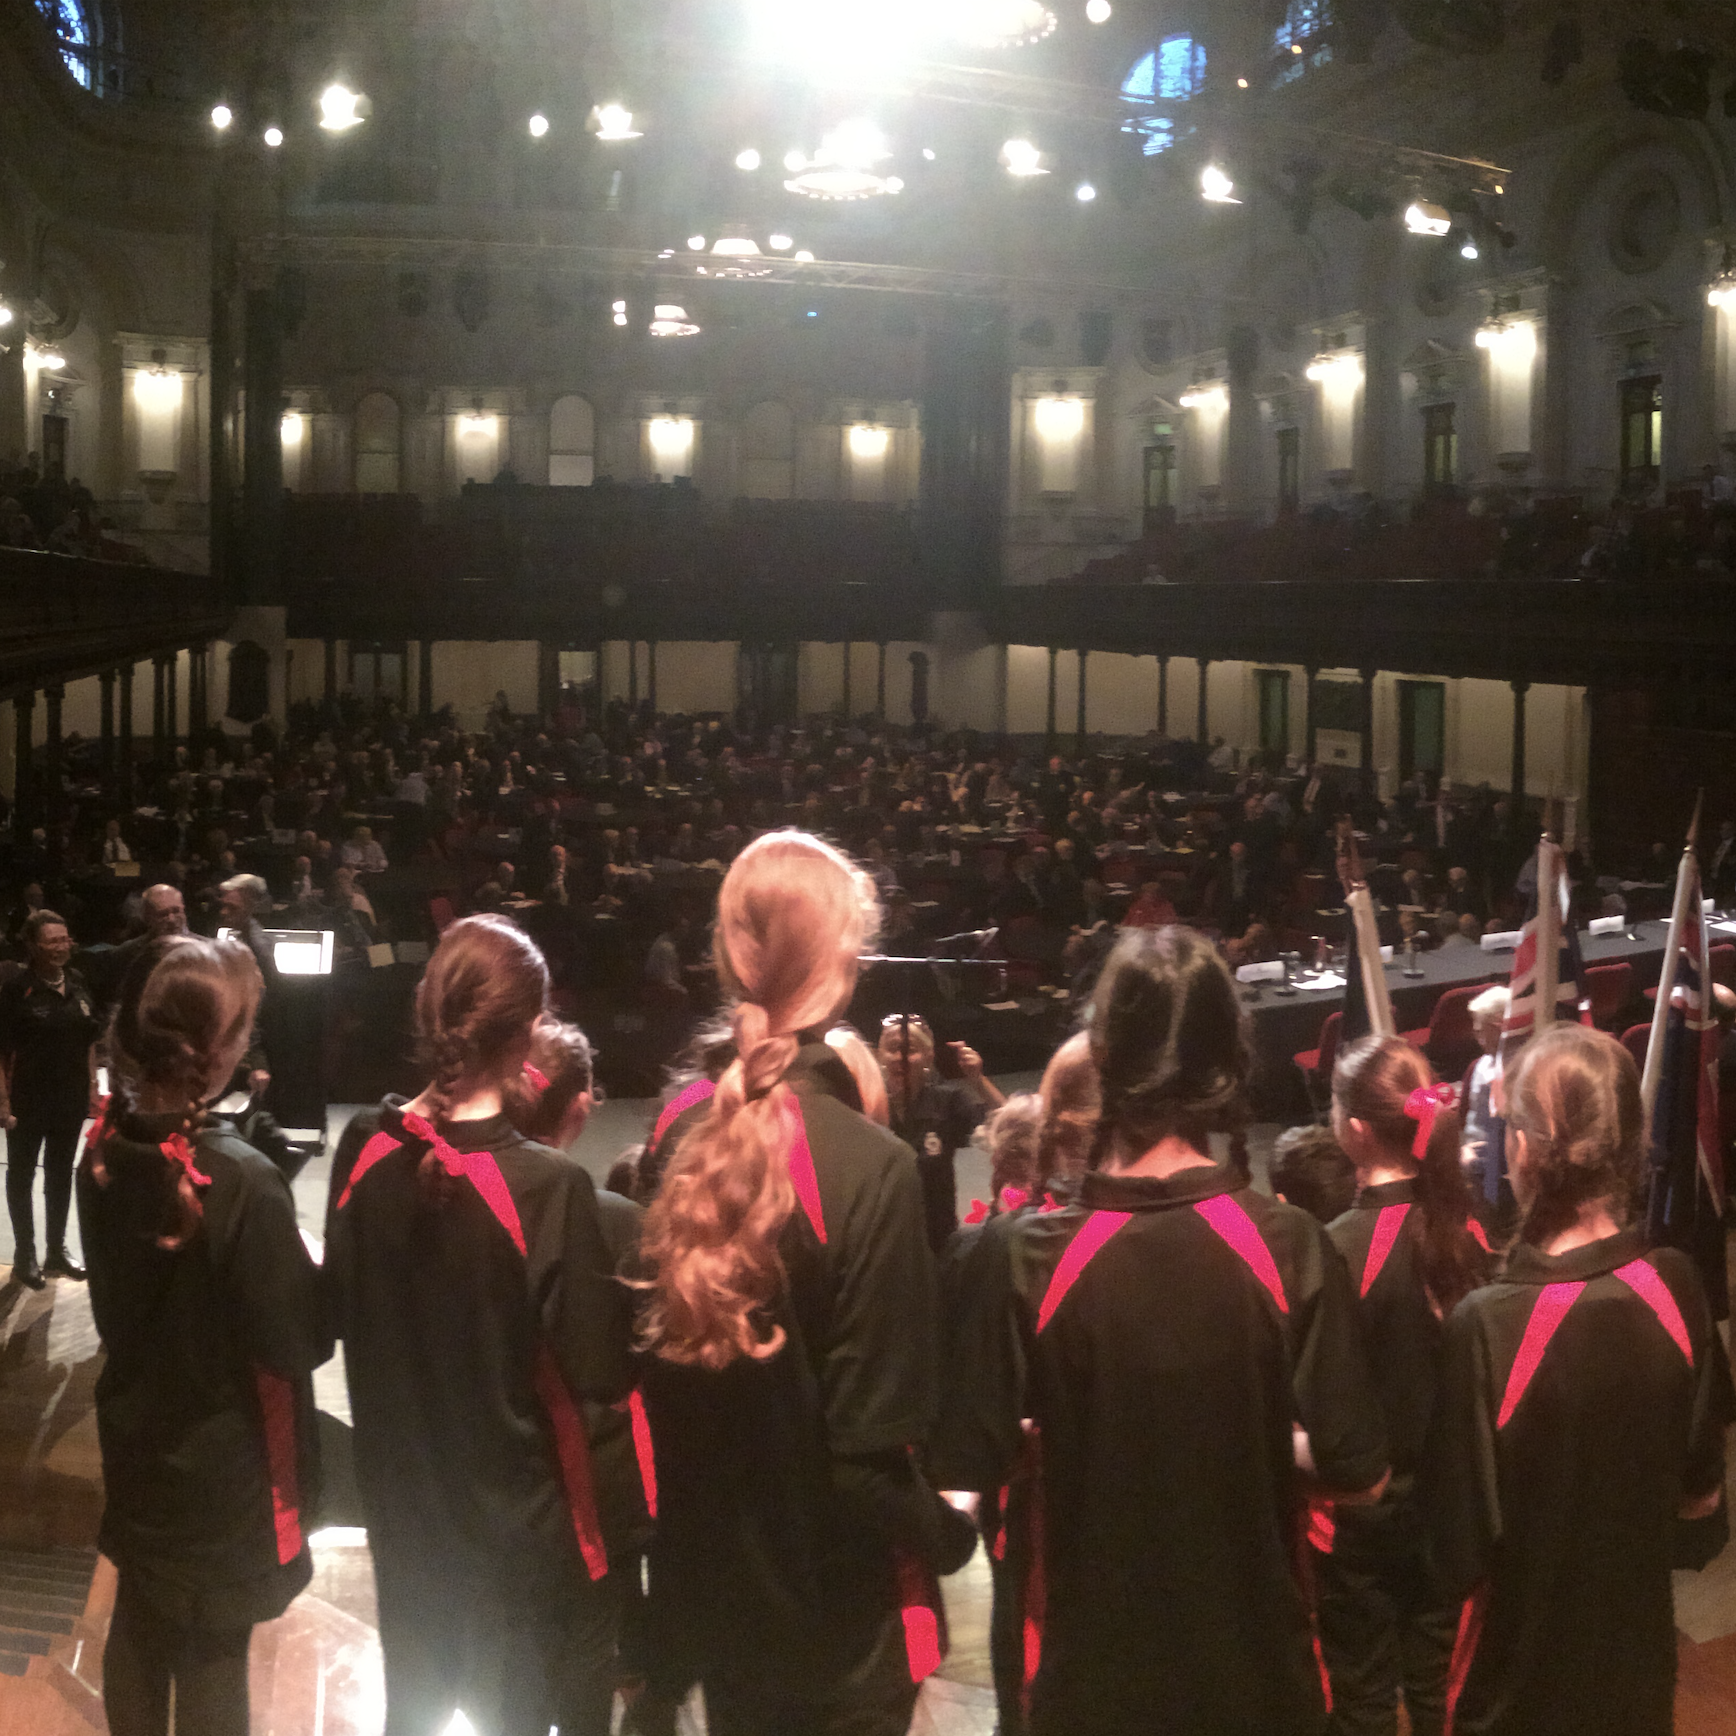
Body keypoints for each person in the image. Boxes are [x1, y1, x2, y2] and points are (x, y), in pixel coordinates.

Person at [935, 926, 1388, 1736]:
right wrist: (1246, 1433)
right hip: (1259, 1681)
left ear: (1102, 1053)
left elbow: (971, 1461)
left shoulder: (1022, 1257)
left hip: (1088, 1684)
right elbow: (1360, 1475)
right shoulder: (1292, 1247)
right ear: (1227, 1061)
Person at [635, 831, 973, 1736]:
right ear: (846, 964)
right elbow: (867, 1459)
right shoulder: (873, 1167)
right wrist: (953, 1534)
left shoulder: (676, 1140)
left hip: (720, 1618)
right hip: (842, 1632)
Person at [325, 916, 633, 1736]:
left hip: (399, 1511)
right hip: (510, 1534)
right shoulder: (550, 1187)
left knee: (415, 1717)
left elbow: (333, 1315)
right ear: (531, 1028)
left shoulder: (360, 1146)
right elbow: (600, 1372)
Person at [1426, 1023, 1732, 1736]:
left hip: (1517, 1688)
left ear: (1526, 1150)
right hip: (1637, 1669)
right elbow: (1701, 1508)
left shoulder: (1487, 1326)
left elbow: (1452, 1555)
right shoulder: (1677, 1284)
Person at [77, 934, 326, 1736]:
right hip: (230, 1463)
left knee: (142, 1626)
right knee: (215, 1652)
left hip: (139, 1437)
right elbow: (292, 1345)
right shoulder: (244, 1181)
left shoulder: (102, 1151)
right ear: (220, 1055)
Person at [1316, 1036, 1492, 1736]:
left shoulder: (1333, 1249)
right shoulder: (1472, 1228)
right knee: (1437, 1683)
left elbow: (1324, 1399)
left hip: (1365, 1514)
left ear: (1355, 1130)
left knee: (1360, 1692)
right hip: (1456, 1506)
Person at [0, 909, 101, 1287]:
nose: (62, 947)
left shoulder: (77, 981)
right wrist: (3, 1101)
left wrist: (92, 1085)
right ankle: (25, 1253)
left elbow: (89, 1038)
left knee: (60, 1174)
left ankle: (56, 1250)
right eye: (52, 941)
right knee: (22, 1174)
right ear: (32, 946)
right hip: (27, 1101)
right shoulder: (16, 990)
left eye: (65, 939)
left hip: (70, 1099)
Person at [877, 1014, 1005, 1252]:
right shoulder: (869, 1104)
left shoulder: (946, 1101)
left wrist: (977, 1080)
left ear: (928, 1056)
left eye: (910, 1050)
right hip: (883, 1237)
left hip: (937, 1235)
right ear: (879, 1055)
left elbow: (1008, 1126)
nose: (900, 1058)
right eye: (893, 1049)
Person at [1459, 986, 1510, 1226]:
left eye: (1481, 1032)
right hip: (1472, 1154)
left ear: (1499, 1026)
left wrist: (1472, 1159)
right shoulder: (1480, 1066)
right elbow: (1464, 1118)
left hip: (1497, 1168)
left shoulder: (1516, 1073)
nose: (1476, 1038)